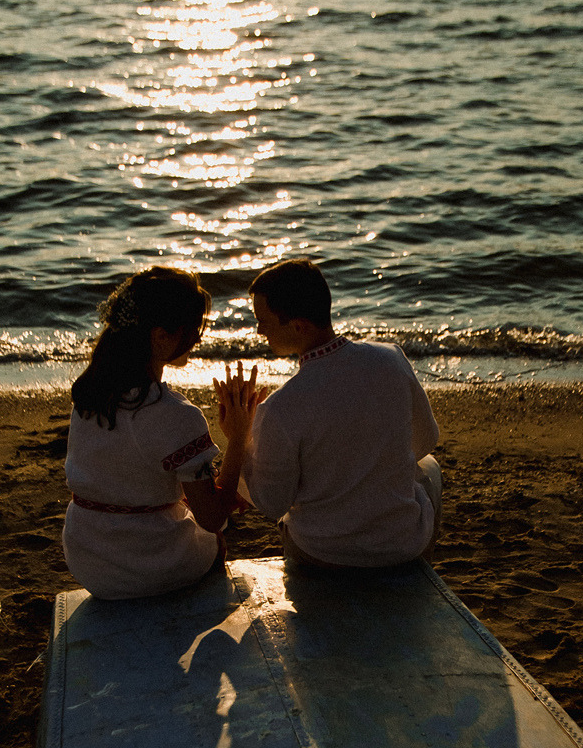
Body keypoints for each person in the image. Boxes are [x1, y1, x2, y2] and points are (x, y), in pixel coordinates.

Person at [63, 267, 262, 601]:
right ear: (160, 336)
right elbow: (211, 518)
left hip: (88, 560)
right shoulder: (177, 415)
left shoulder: (91, 394)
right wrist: (238, 437)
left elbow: (127, 471)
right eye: (190, 331)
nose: (196, 340)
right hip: (147, 566)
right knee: (216, 541)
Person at [243, 257, 441, 568]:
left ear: (298, 326)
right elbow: (426, 441)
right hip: (401, 546)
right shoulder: (390, 358)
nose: (258, 331)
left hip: (322, 554)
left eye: (264, 321)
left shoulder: (282, 406)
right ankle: (420, 570)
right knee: (430, 470)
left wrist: (243, 440)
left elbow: (272, 503)